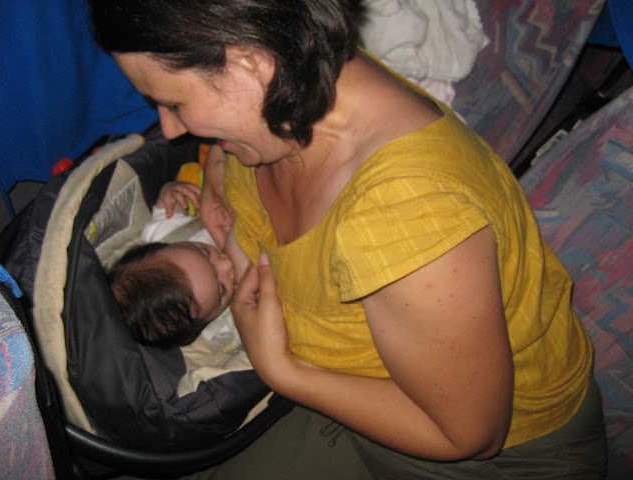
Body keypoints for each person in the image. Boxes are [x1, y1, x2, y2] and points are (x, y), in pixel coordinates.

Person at [89, 1, 607, 478]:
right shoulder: (301, 77)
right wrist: (219, 175)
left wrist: (281, 370)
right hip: (353, 388)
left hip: (481, 456)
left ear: (252, 62)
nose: (171, 130)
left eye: (174, 103)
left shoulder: (407, 215)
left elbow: (469, 434)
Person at [108, 178, 244, 349]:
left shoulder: (164, 233)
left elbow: (169, 202)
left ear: (162, 245)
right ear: (204, 323)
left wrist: (173, 191)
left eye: (205, 252)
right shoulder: (231, 320)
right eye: (222, 289)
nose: (226, 265)